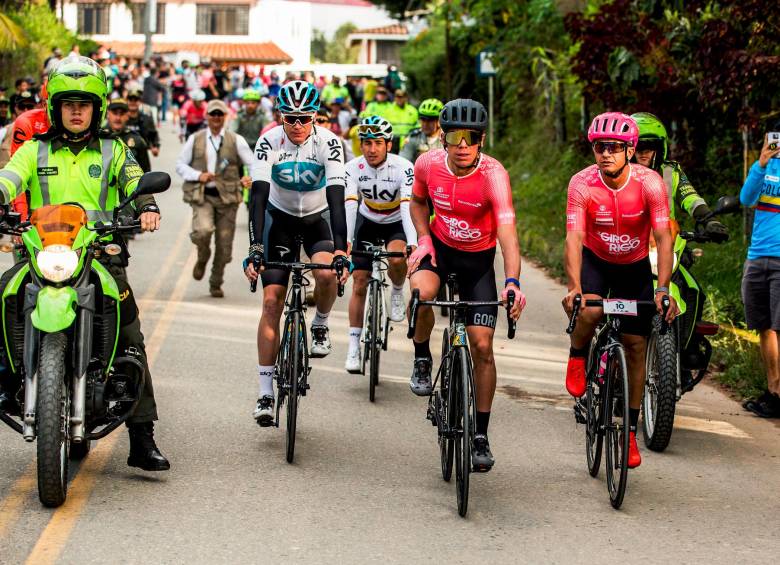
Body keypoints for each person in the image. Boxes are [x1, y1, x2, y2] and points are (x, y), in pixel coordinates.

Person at [0, 56, 169, 471]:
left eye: (85, 104)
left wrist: (146, 206)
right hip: (41, 254)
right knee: (4, 293)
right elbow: (8, 178)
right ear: (55, 109)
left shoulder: (114, 149)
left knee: (130, 332)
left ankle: (142, 435)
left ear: (97, 108)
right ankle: (8, 379)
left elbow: (134, 178)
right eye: (68, 104)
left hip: (100, 254)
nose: (77, 111)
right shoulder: (34, 150)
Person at [406, 99, 525, 471]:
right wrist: (423, 238)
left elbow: (507, 231)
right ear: (442, 136)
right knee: (421, 296)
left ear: (481, 139)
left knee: (483, 346)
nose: (462, 144)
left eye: (470, 137)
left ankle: (480, 435)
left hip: (477, 262)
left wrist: (512, 282)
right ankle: (422, 357)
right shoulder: (427, 164)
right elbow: (417, 202)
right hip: (439, 249)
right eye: (454, 135)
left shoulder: (493, 174)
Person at [562, 112, 677, 469]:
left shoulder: (650, 183)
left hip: (633, 266)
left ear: (629, 150)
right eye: (600, 147)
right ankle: (578, 354)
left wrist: (662, 288)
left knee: (636, 344)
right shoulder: (582, 183)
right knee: (591, 309)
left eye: (614, 147)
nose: (606, 153)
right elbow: (574, 237)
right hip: (596, 260)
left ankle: (627, 431)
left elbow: (663, 236)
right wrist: (575, 287)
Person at [243, 80, 348, 425]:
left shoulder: (329, 143)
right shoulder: (268, 141)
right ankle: (264, 391)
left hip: (318, 218)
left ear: (316, 116)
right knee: (272, 301)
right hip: (280, 218)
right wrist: (256, 248)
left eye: (305, 118)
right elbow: (257, 196)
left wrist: (342, 250)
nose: (298, 126)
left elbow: (337, 196)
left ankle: (319, 323)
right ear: (280, 116)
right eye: (290, 119)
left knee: (326, 273)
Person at [343, 116, 416, 372]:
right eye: (366, 143)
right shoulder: (352, 167)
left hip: (395, 221)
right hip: (367, 220)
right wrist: (347, 242)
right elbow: (351, 205)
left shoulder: (403, 167)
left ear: (388, 144)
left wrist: (413, 242)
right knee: (360, 281)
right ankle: (353, 346)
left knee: (397, 258)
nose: (371, 149)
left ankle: (396, 291)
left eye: (377, 143)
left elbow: (408, 208)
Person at [176, 99, 254, 298]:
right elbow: (180, 165)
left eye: (220, 114)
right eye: (213, 114)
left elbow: (253, 163)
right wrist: (197, 175)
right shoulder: (196, 138)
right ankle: (202, 256)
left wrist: (249, 177)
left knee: (225, 246)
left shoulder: (236, 140)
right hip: (203, 196)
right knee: (202, 231)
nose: (216, 118)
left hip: (228, 198)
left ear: (225, 116)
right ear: (207, 116)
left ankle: (215, 282)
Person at [631, 113, 728, 237]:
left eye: (649, 146)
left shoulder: (669, 171)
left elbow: (689, 197)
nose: (643, 152)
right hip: (626, 242)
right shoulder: (616, 174)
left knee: (687, 255)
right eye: (638, 146)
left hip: (667, 239)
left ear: (660, 148)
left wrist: (709, 220)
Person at [739, 130, 780, 418]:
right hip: (757, 256)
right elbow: (746, 198)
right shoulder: (763, 167)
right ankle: (773, 391)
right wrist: (762, 163)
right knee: (763, 325)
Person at [106, 98, 151, 172]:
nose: (118, 118)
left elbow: (146, 173)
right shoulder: (97, 138)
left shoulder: (137, 141)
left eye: (122, 114)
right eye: (115, 113)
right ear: (108, 114)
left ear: (127, 115)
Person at [400, 98, 444, 163]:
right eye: (423, 119)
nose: (425, 124)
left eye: (430, 120)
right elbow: (402, 162)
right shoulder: (413, 137)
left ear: (439, 121)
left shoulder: (447, 139)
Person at [127, 89, 160, 157]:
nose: (133, 102)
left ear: (140, 102)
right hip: (123, 155)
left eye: (135, 100)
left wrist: (155, 146)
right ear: (126, 101)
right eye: (130, 100)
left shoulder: (146, 118)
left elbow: (153, 134)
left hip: (141, 155)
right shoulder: (121, 118)